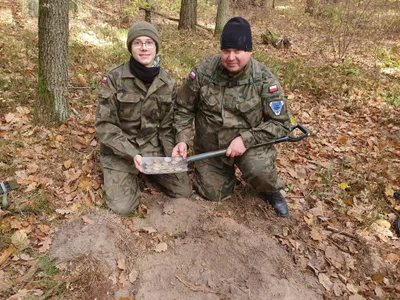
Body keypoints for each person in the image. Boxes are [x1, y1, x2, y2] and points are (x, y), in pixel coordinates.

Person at [172, 17, 291, 217]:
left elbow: (280, 124)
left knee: (259, 170)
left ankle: (270, 190)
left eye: (238, 51)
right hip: (211, 149)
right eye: (226, 51)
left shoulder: (264, 79)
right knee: (213, 193)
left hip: (249, 147)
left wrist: (246, 140)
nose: (231, 57)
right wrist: (182, 140)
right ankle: (224, 176)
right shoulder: (203, 72)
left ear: (250, 51)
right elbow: (183, 108)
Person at [95, 21, 191, 216]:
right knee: (122, 208)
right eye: (138, 42)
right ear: (131, 47)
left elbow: (168, 125)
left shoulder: (167, 82)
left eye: (149, 42)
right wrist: (132, 154)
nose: (144, 47)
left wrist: (179, 144)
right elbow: (105, 126)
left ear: (156, 47)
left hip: (152, 147)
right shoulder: (114, 78)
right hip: (122, 151)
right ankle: (125, 175)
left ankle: (148, 173)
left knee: (183, 191)